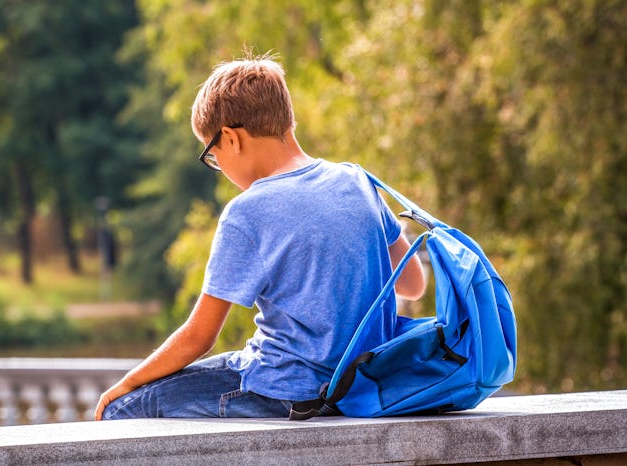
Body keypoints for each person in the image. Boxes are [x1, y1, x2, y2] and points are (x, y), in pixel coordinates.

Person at [95, 53, 425, 420]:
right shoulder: (357, 181)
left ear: (232, 139)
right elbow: (413, 284)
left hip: (285, 390)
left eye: (213, 155)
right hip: (360, 386)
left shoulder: (247, 212)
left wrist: (126, 383)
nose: (218, 168)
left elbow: (199, 337)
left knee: (121, 411)